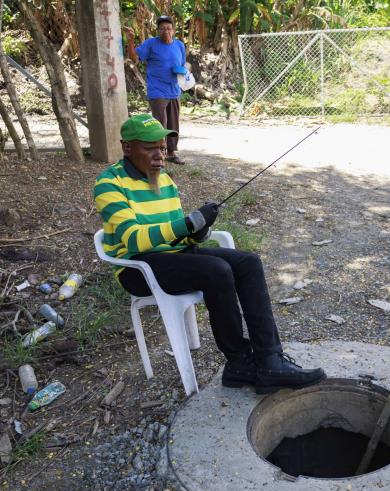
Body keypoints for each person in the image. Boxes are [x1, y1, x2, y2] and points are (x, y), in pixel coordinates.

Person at [93, 114, 326, 394]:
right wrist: (189, 223)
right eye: (149, 148)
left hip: (175, 257)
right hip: (138, 268)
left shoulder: (164, 179)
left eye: (162, 147)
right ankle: (238, 361)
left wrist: (200, 229)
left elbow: (178, 233)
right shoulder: (109, 183)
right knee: (217, 270)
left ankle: (270, 359)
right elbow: (135, 241)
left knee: (248, 263)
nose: (159, 155)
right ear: (127, 148)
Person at [124, 15, 187, 165]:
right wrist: (131, 40)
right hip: (157, 91)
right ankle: (159, 154)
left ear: (173, 30)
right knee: (160, 124)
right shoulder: (151, 44)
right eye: (162, 28)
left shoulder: (179, 45)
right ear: (158, 30)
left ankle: (171, 152)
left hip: (174, 90)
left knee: (173, 123)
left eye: (168, 28)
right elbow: (134, 58)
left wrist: (183, 72)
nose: (166, 31)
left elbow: (183, 65)